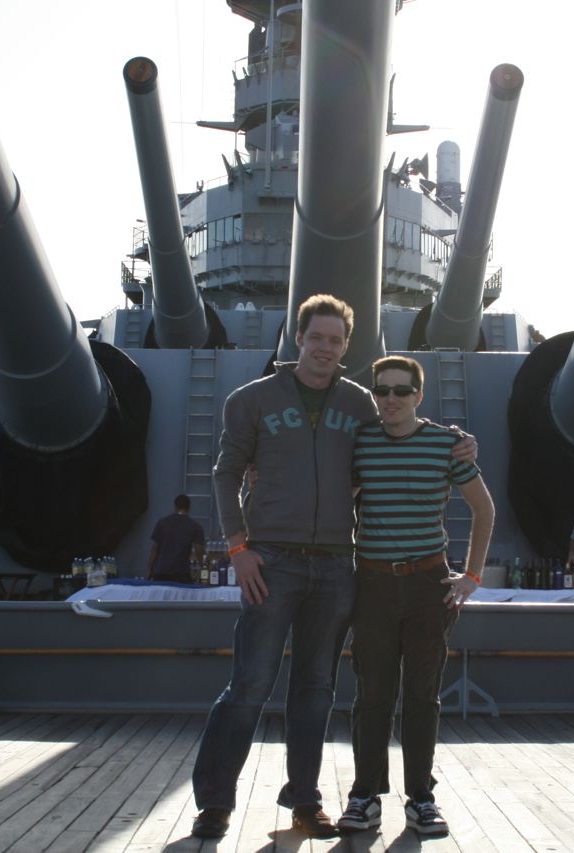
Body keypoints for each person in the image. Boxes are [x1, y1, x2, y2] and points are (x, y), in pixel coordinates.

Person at [190, 295, 474, 840]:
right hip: (269, 561)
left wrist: (457, 440)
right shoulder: (250, 401)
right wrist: (237, 547)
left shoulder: (360, 401)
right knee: (249, 684)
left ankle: (305, 799)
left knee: (316, 687)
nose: (325, 347)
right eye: (316, 337)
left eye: (335, 340)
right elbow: (225, 474)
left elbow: (401, 420)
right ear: (299, 339)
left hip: (337, 565)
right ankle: (216, 802)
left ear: (346, 346)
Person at [337, 356, 494, 838]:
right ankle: (365, 796)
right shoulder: (359, 443)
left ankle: (421, 799)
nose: (390, 399)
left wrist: (471, 576)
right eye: (382, 390)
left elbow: (483, 510)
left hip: (428, 587)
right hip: (373, 585)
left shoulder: (446, 445)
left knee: (422, 695)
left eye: (401, 391)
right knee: (373, 695)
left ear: (418, 396)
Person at [146, 494, 205, 582]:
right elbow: (199, 552)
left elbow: (155, 549)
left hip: (161, 573)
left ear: (174, 506)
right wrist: (205, 569)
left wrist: (150, 570)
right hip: (181, 574)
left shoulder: (162, 523)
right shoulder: (195, 526)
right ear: (189, 508)